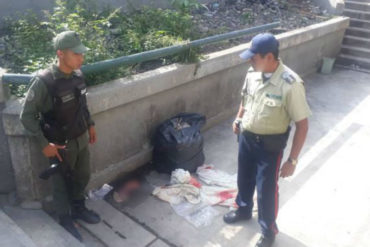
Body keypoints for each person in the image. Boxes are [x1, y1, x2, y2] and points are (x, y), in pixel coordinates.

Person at [223, 33, 311, 247]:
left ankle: (268, 230)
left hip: (269, 147)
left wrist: (292, 161)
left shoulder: (291, 84)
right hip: (247, 138)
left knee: (266, 190)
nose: (250, 61)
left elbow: (302, 125)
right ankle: (243, 209)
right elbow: (245, 99)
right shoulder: (253, 73)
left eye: (254, 57)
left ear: (269, 57)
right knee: (244, 179)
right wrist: (238, 118)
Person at [20, 30, 100, 242]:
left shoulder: (78, 75)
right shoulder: (44, 82)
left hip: (81, 138)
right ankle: (65, 219)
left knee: (82, 176)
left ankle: (79, 208)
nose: (81, 58)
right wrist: (43, 143)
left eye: (82, 54)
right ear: (61, 54)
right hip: (60, 145)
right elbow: (26, 116)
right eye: (76, 54)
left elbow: (82, 104)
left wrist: (90, 125)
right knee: (61, 184)